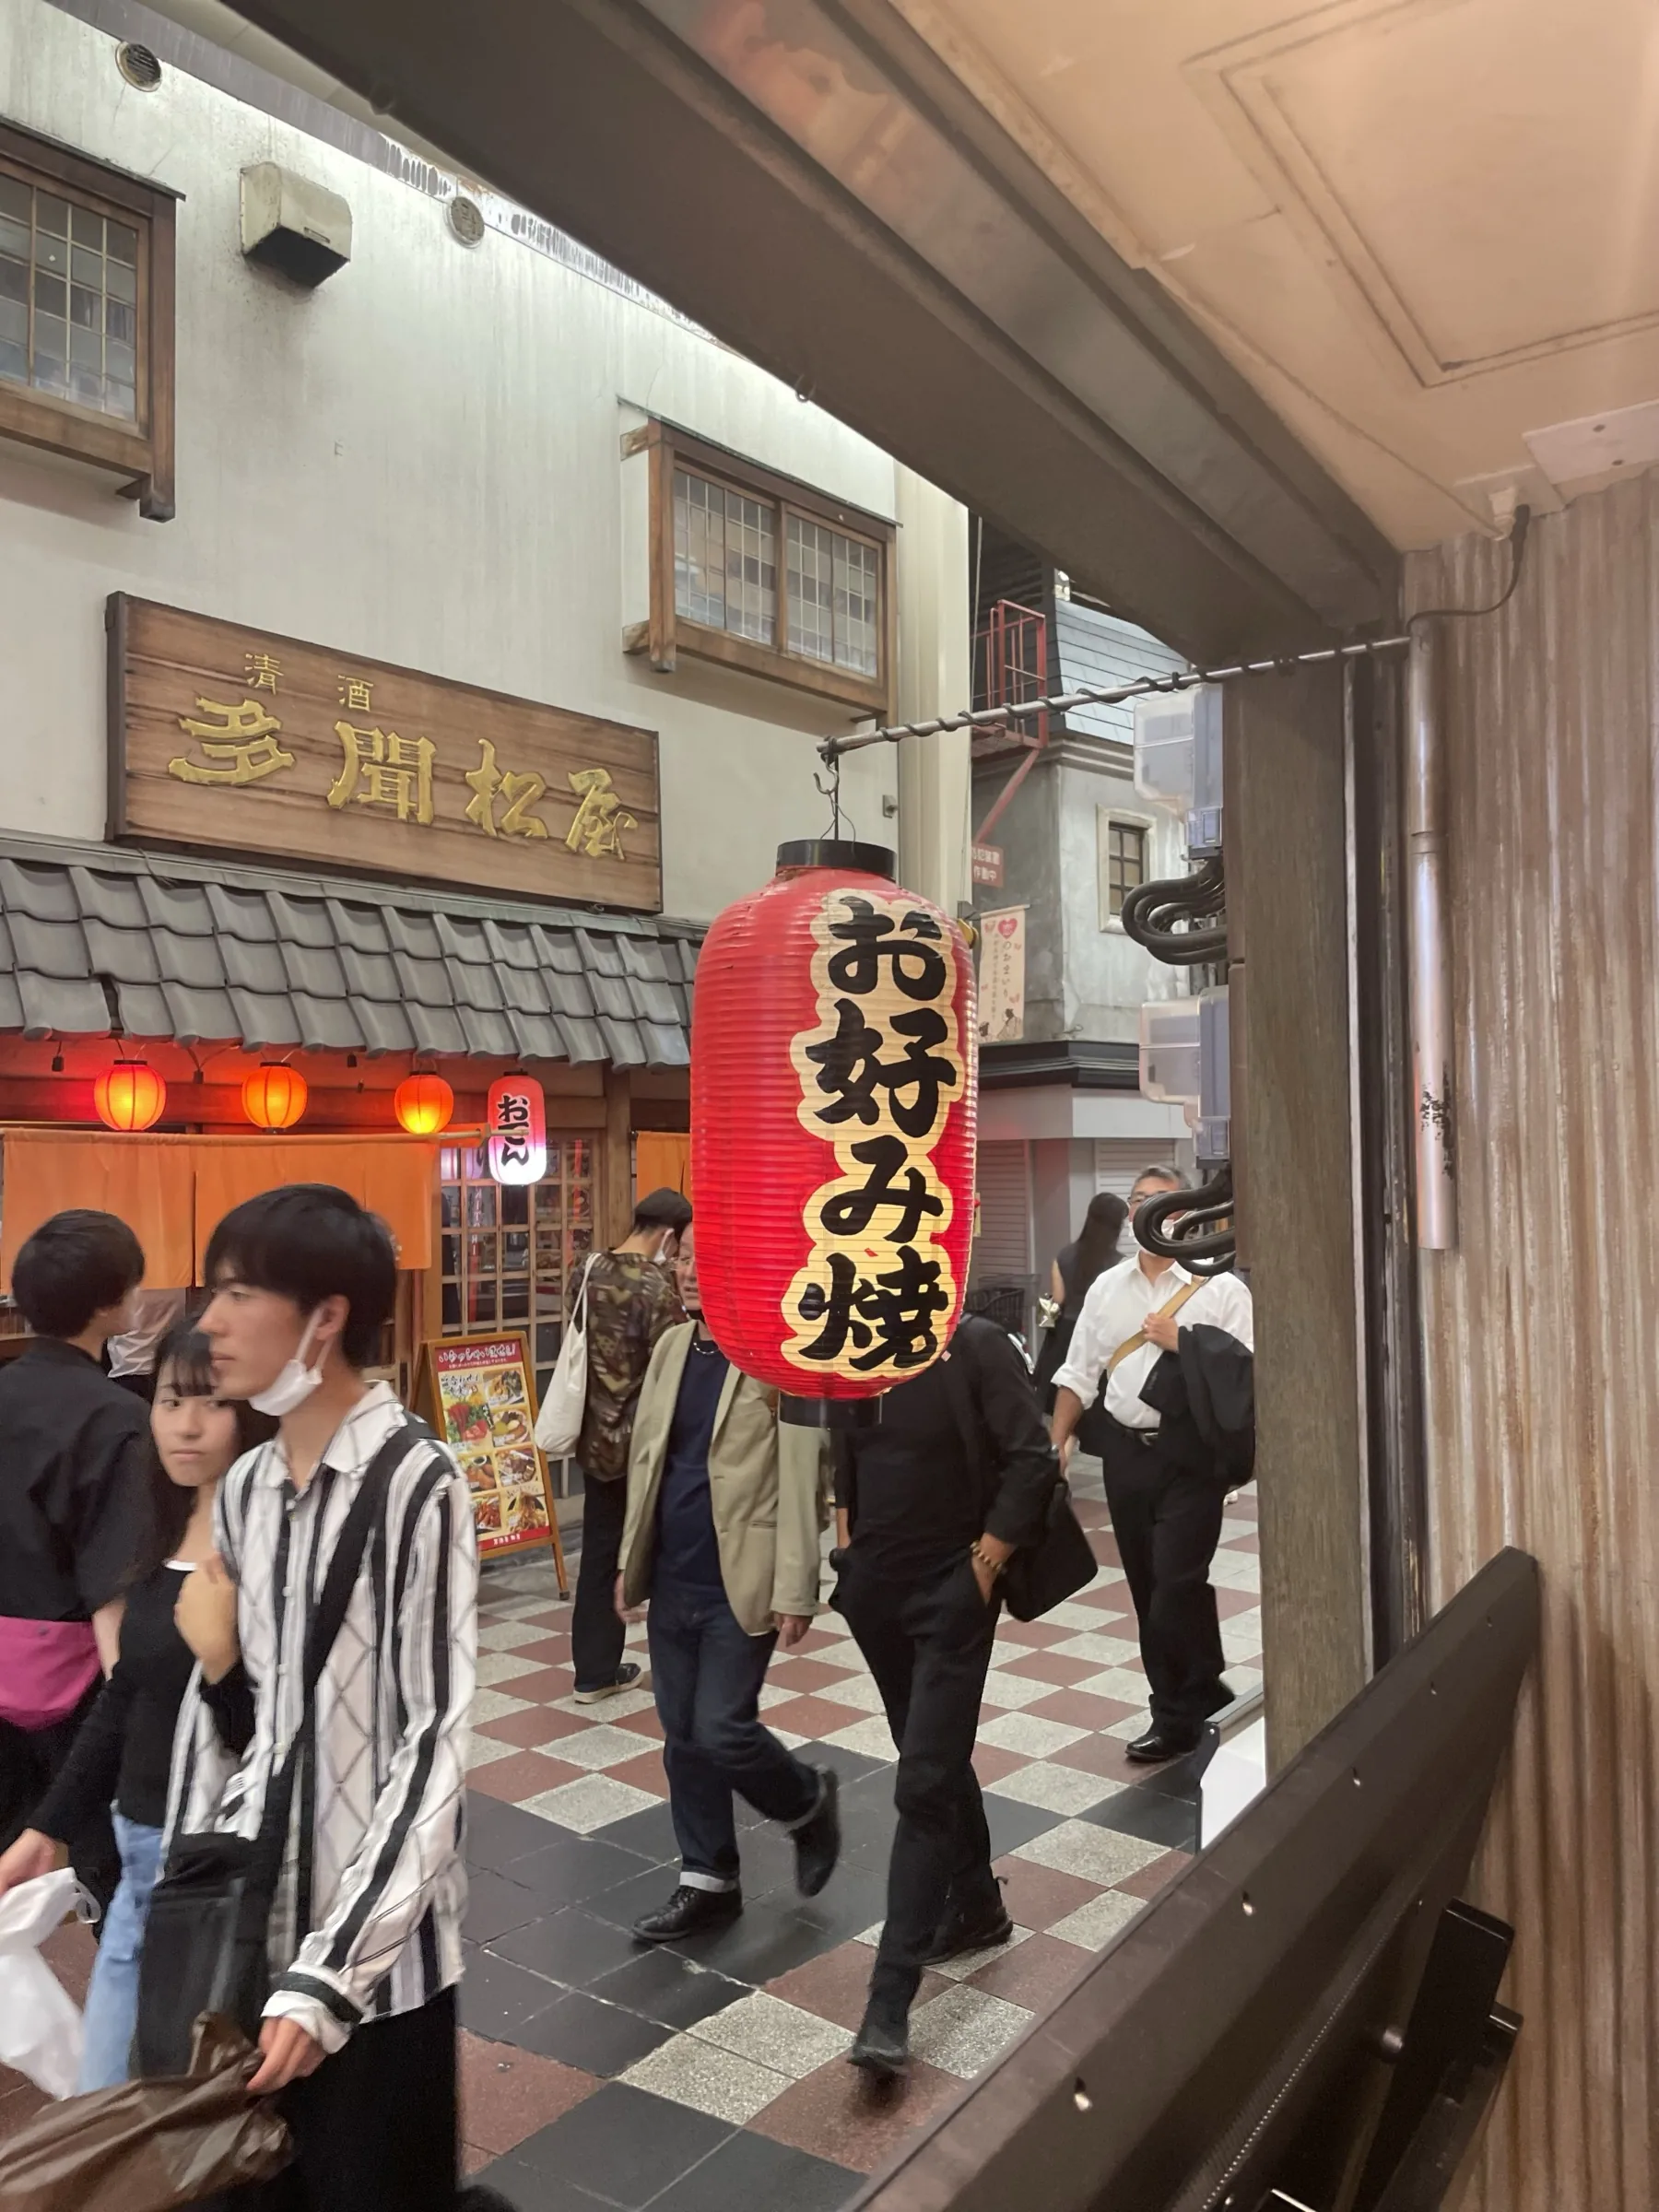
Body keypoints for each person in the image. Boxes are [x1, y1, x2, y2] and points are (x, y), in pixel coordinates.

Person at [166, 1184, 477, 2212]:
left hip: (375, 1976)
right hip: (254, 1936)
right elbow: (255, 1725)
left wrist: (331, 1974)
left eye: (238, 1292)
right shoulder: (249, 1485)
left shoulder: (417, 1481)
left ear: (327, 1315)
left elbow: (433, 1740)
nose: (208, 1320)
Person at [0, 1322, 268, 2089]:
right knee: (104, 2088)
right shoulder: (162, 1521)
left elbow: (280, 1740)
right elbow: (125, 1697)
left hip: (217, 1865)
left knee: (194, 2098)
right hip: (138, 1848)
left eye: (211, 1403)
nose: (185, 1423)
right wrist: (44, 1829)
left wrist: (223, 1662)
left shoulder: (269, 1544)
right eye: (171, 1399)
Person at [832, 1312, 1056, 2077]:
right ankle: (977, 1905)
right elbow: (847, 1459)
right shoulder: (858, 1334)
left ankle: (887, 2004)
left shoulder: (978, 1345)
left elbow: (1033, 1459)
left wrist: (984, 1569)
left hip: (951, 1590)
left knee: (923, 1779)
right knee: (928, 1752)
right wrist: (849, 1555)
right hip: (876, 1588)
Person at [614, 1223, 840, 1940]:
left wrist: (798, 1587)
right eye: (682, 1258)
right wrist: (629, 1563)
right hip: (673, 1575)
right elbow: (649, 1464)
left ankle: (805, 1802)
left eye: (705, 1261)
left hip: (740, 1579)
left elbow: (807, 1473)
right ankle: (707, 1878)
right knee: (681, 1735)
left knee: (721, 1728)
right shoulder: (672, 1349)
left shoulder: (783, 1356)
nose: (686, 1272)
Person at [1050, 1164, 1254, 1765]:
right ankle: (1197, 1688)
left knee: (1176, 1582)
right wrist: (1054, 1442)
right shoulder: (1108, 1288)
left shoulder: (1220, 1289)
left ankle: (1177, 1715)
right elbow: (1078, 1371)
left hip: (1191, 1457)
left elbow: (1249, 1376)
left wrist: (1184, 1343)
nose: (1147, 1212)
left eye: (1161, 1202)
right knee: (1148, 1587)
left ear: (1186, 1213)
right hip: (1124, 1456)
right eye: (1137, 1200)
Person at [0, 1208, 151, 1916]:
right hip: (78, 1682)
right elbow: (112, 1584)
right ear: (111, 1302)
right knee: (113, 1882)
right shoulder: (116, 1418)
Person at [569, 1188, 691, 1705]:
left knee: (598, 1552)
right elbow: (675, 1361)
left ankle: (593, 1671)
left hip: (594, 1436)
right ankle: (678, 1666)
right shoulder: (657, 1287)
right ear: (668, 1235)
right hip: (643, 1442)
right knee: (658, 1549)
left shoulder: (587, 1269)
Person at [1033, 1190, 1128, 1406]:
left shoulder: (1063, 1256)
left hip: (1064, 1336)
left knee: (1063, 1397)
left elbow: (1058, 1299)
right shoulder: (1120, 1264)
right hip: (1099, 1336)